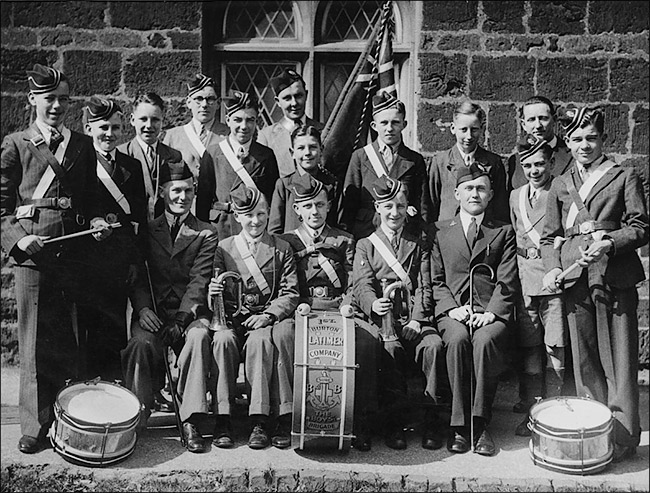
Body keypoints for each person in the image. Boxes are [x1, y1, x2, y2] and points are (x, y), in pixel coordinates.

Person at [0, 64, 109, 454]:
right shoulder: (17, 143)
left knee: (71, 340)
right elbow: (1, 208)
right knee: (32, 344)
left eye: (63, 99)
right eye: (49, 99)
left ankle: (69, 422)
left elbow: (92, 198)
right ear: (33, 100)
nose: (57, 106)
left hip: (74, 253)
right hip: (34, 255)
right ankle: (34, 425)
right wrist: (18, 239)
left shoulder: (81, 145)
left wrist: (97, 219)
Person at [541, 105, 648, 462]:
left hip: (614, 276)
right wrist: (553, 267)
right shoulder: (560, 183)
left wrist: (611, 242)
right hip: (576, 278)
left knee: (619, 358)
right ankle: (595, 435)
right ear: (567, 143)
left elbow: (641, 227)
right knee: (585, 361)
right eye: (576, 139)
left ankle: (623, 438)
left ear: (603, 139)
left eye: (591, 138)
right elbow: (548, 237)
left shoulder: (622, 176)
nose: (584, 145)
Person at [278, 174, 381, 451]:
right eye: (308, 206)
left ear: (328, 206)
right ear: (297, 209)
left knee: (367, 341)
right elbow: (285, 283)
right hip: (303, 310)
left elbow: (354, 280)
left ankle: (359, 420)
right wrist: (299, 305)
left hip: (339, 310)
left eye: (320, 205)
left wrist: (349, 305)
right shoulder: (286, 242)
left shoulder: (344, 239)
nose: (315, 212)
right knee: (285, 338)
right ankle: (288, 417)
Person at [121, 159, 218, 452]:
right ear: (162, 192)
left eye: (188, 190)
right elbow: (137, 276)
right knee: (139, 343)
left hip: (189, 314)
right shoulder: (147, 231)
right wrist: (143, 310)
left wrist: (182, 318)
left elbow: (200, 280)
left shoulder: (206, 232)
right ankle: (136, 416)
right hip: (154, 312)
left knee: (199, 337)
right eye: (176, 190)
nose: (182, 197)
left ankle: (190, 418)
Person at [430, 163, 518, 456]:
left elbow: (506, 280)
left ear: (491, 194)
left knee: (485, 340)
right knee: (456, 339)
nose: (475, 194)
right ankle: (458, 427)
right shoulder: (441, 231)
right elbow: (436, 280)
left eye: (481, 188)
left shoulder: (503, 231)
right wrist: (451, 309)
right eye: (468, 188)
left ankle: (480, 424)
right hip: (453, 311)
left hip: (488, 312)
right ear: (456, 193)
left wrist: (491, 313)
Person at [352, 175, 442, 451]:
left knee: (434, 346)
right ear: (378, 208)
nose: (395, 213)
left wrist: (417, 319)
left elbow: (425, 285)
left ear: (408, 209)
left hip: (412, 319)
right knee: (389, 352)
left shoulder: (419, 241)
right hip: (381, 321)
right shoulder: (366, 244)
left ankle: (431, 421)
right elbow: (362, 284)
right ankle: (394, 425)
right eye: (389, 206)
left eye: (401, 207)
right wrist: (373, 305)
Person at [207, 186, 299, 450]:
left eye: (260, 214)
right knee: (222, 342)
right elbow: (214, 291)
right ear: (236, 216)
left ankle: (259, 420)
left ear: (268, 213)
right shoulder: (224, 248)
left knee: (260, 343)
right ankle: (222, 418)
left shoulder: (281, 247)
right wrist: (213, 294)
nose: (255, 221)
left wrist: (269, 315)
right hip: (232, 321)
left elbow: (291, 292)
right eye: (248, 215)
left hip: (262, 319)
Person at [76, 96, 148, 383]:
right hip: (88, 261)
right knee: (88, 328)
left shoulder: (132, 165)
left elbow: (139, 219)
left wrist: (134, 262)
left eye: (116, 128)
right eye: (103, 127)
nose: (110, 134)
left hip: (119, 260)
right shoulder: (80, 163)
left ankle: (111, 391)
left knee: (114, 327)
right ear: (90, 128)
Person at [509, 134, 568, 436]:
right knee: (530, 347)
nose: (534, 170)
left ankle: (555, 412)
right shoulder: (515, 195)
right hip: (524, 281)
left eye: (540, 164)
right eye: (528, 165)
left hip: (552, 278)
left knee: (554, 346)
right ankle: (533, 408)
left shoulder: (560, 189)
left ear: (551, 163)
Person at [342, 91, 427, 240]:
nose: (389, 128)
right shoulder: (360, 157)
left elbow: (422, 204)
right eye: (384, 123)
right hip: (368, 233)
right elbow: (350, 205)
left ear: (404, 124)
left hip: (404, 234)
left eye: (395, 122)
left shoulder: (414, 160)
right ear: (374, 126)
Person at [195, 90, 279, 240]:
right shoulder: (212, 153)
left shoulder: (266, 155)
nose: (244, 126)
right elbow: (203, 201)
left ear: (256, 122)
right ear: (227, 120)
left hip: (254, 229)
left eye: (250, 120)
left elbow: (272, 199)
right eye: (238, 120)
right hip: (220, 229)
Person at [424, 100, 509, 224]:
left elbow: (500, 207)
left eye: (474, 130)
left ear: (482, 129)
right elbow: (431, 204)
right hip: (448, 232)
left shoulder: (493, 162)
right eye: (463, 130)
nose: (469, 136)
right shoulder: (440, 162)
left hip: (484, 231)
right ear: (453, 128)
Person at [118, 92, 183, 221]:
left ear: (162, 121)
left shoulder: (174, 156)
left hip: (164, 231)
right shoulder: (121, 154)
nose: (149, 125)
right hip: (134, 230)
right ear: (132, 120)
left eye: (155, 120)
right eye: (143, 119)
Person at [269, 125, 338, 234]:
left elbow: (338, 226)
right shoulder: (284, 185)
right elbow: (274, 231)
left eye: (313, 147)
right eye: (301, 148)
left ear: (321, 150)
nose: (307, 153)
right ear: (292, 153)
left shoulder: (332, 184)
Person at [257, 69, 324, 178]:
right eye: (287, 98)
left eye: (298, 96)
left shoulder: (323, 131)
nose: (294, 103)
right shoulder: (266, 137)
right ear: (278, 102)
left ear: (306, 95)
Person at [162, 73, 228, 177]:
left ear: (218, 103)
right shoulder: (173, 136)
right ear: (188, 102)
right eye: (199, 99)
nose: (204, 105)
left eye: (210, 99)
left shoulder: (228, 134)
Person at [506, 95, 573, 192]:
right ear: (523, 124)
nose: (538, 125)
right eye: (531, 119)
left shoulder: (572, 156)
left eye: (543, 118)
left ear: (554, 120)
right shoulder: (515, 161)